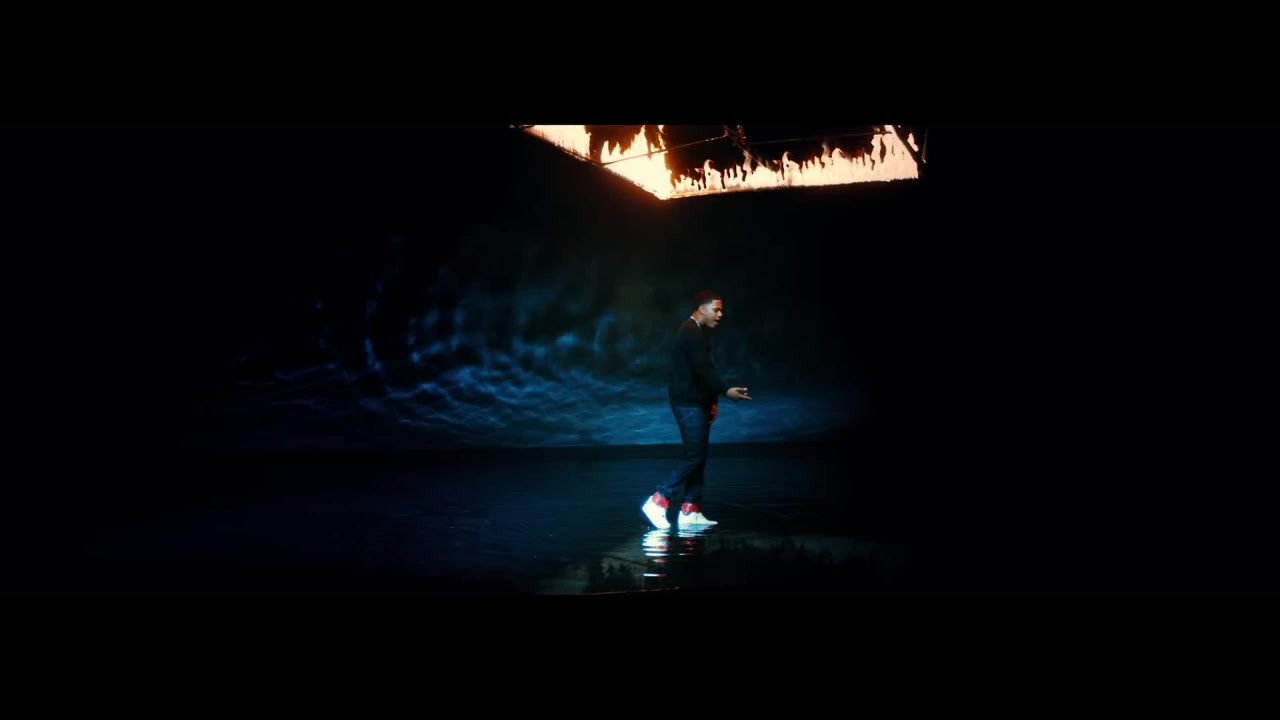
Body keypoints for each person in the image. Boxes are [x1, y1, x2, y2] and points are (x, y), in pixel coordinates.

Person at [641, 290, 751, 529]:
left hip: (696, 403)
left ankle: (691, 510)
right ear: (702, 308)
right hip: (687, 404)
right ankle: (659, 500)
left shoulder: (696, 332)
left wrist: (711, 402)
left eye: (721, 311)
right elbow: (703, 372)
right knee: (694, 456)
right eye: (716, 310)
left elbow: (702, 375)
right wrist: (726, 392)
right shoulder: (690, 332)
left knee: (699, 456)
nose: (720, 315)